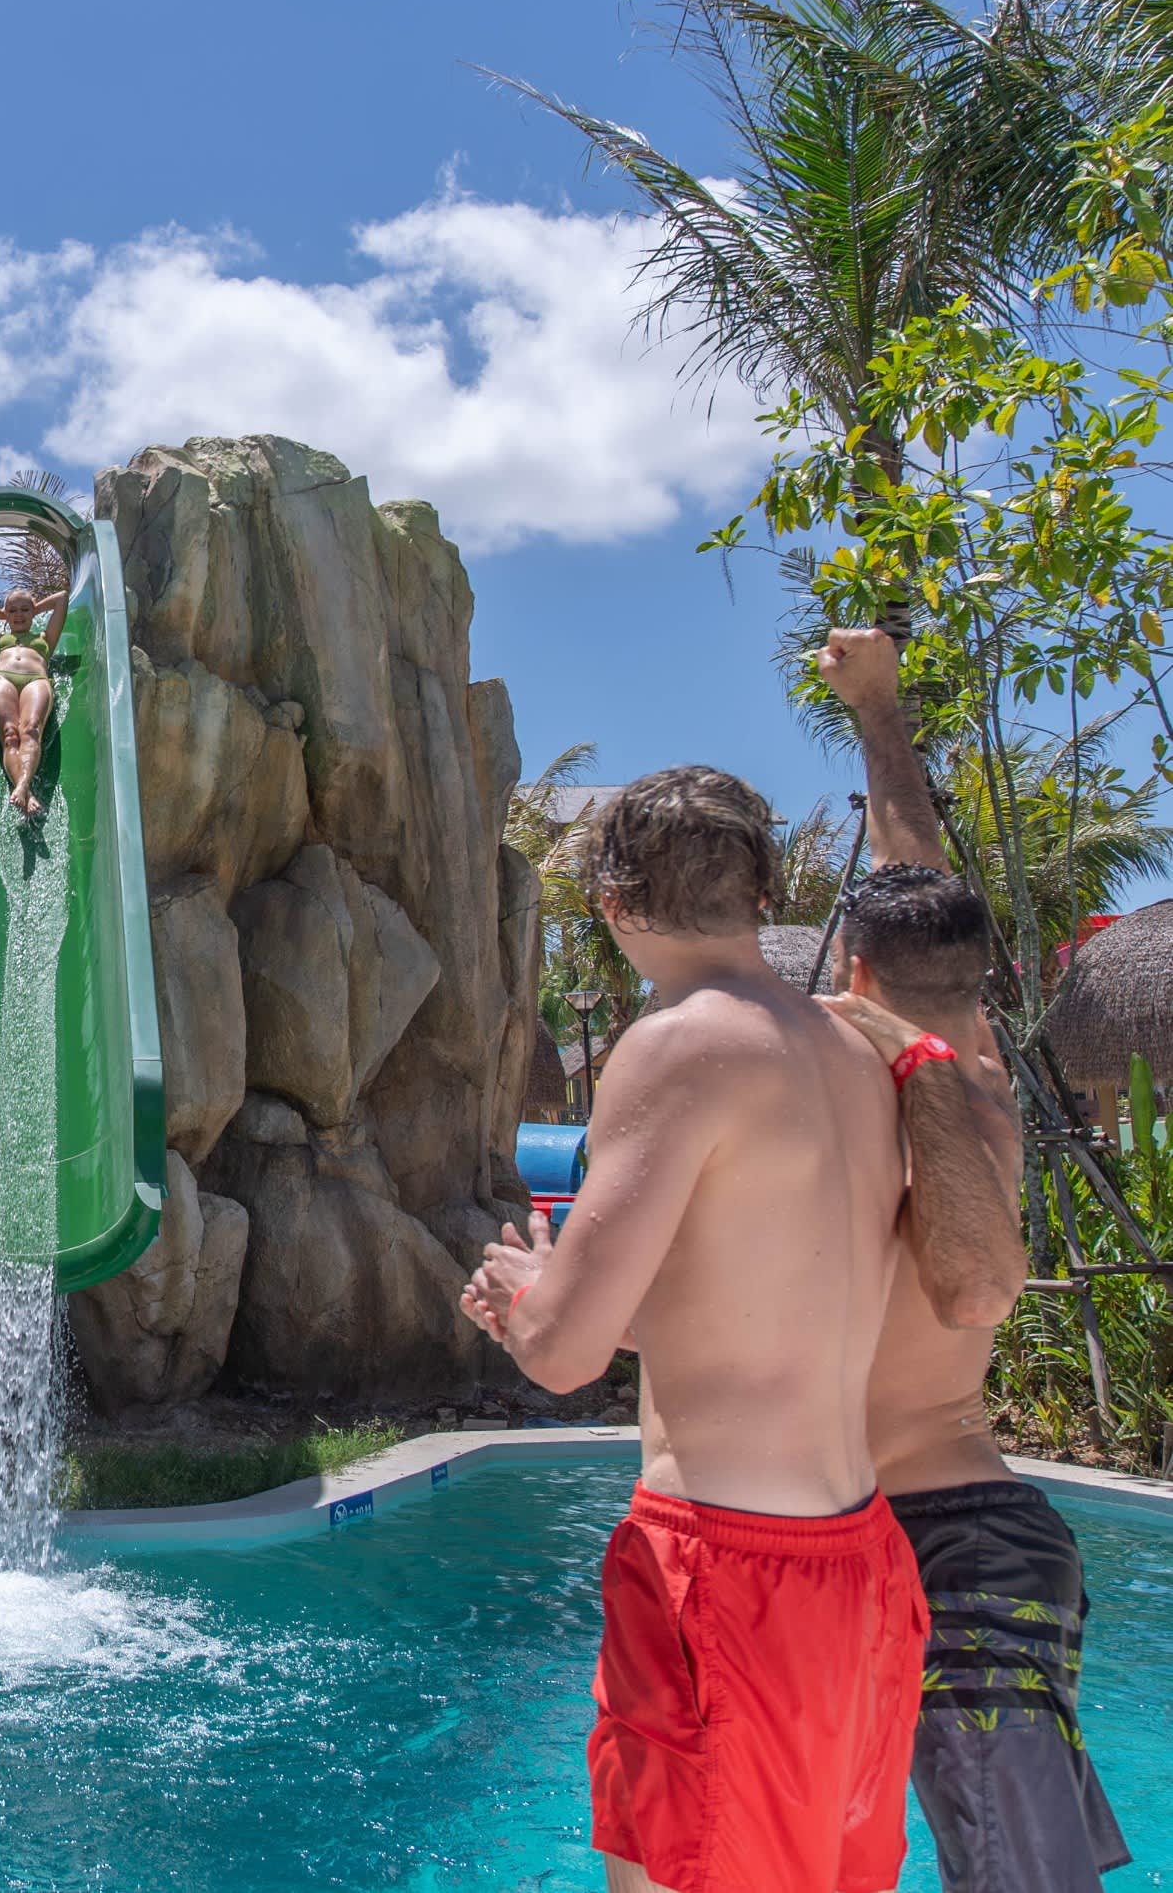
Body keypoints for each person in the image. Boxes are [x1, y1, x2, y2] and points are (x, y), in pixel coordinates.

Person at [458, 764, 977, 1893]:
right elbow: (755, 1311)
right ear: (762, 892)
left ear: (609, 901)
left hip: (724, 1571)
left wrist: (526, 1299)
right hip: (859, 1568)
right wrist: (575, 1300)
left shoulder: (676, 1044)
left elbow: (562, 1356)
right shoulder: (848, 1053)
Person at [819, 625, 1131, 1892]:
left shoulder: (884, 1094)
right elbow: (915, 887)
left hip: (954, 1550)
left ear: (852, 971)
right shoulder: (973, 1069)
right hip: (963, 1538)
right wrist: (877, 714)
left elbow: (968, 1288)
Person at [0, 584, 67, 818]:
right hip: (1, 679)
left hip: (35, 680)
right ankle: (25, 790)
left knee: (32, 729)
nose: (19, 615)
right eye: (13, 611)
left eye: (25, 610)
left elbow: (61, 599)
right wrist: (5, 612)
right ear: (6, 614)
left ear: (33, 612)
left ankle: (22, 786)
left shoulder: (45, 639)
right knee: (9, 734)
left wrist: (35, 607)